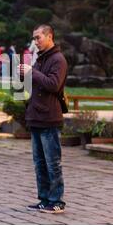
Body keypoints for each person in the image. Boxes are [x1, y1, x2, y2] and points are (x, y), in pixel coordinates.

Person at [18, 24, 68, 214]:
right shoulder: (40, 59)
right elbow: (35, 86)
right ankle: (44, 199)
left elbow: (54, 85)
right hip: (36, 117)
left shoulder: (58, 59)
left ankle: (57, 201)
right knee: (39, 163)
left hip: (50, 118)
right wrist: (24, 76)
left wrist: (32, 71)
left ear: (49, 36)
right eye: (34, 38)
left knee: (52, 163)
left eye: (38, 37)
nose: (35, 41)